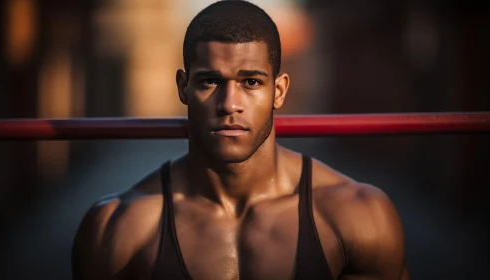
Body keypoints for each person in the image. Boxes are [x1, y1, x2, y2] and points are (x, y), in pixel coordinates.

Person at [72, 1, 410, 279]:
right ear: (183, 88)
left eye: (250, 82)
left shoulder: (359, 216)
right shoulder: (118, 229)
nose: (229, 104)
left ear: (278, 91)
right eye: (209, 82)